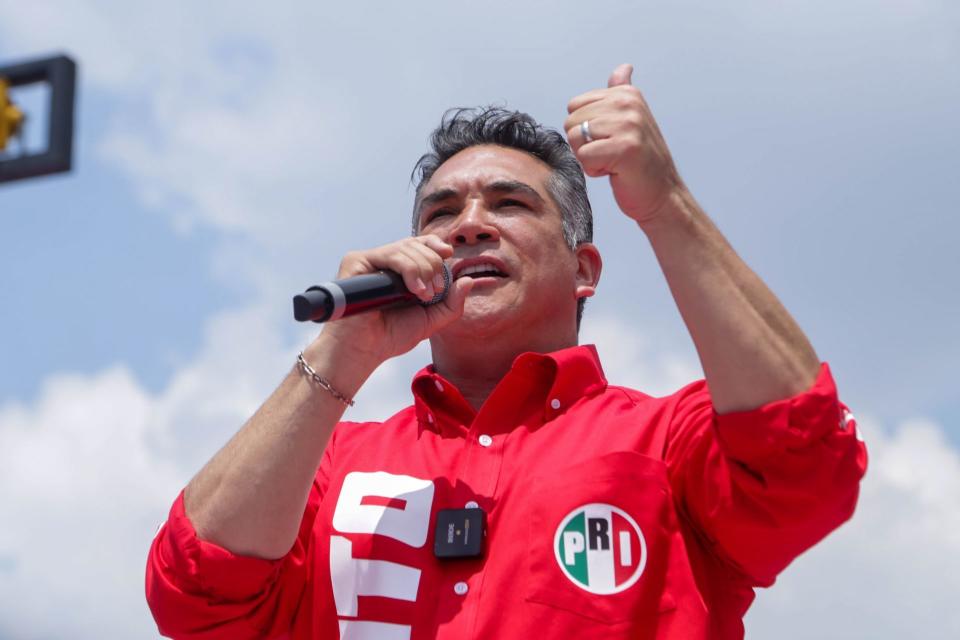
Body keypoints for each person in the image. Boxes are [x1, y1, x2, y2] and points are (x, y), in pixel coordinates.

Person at [146, 64, 867, 639]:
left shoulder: (668, 445)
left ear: (584, 269)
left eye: (509, 203)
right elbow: (194, 597)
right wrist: (342, 351)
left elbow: (806, 463)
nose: (468, 226)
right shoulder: (333, 462)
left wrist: (664, 202)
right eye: (441, 213)